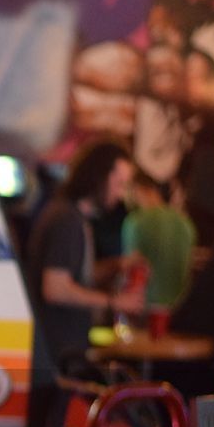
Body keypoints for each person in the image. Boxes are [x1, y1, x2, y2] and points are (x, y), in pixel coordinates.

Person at [25, 140, 144, 374]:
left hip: (60, 352)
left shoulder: (70, 216)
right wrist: (113, 302)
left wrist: (114, 266)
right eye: (119, 183)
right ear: (99, 177)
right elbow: (56, 288)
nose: (120, 195)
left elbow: (75, 276)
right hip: (57, 354)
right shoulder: (67, 220)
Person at [123, 169, 196, 310]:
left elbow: (131, 267)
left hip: (144, 308)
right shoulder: (186, 223)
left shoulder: (135, 221)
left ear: (138, 189)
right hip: (178, 309)